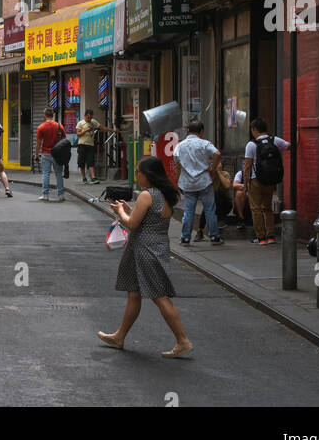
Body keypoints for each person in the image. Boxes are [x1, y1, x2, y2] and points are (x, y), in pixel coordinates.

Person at [97, 155, 193, 359]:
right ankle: (119, 336)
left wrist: (120, 211)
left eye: (139, 171)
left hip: (144, 250)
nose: (137, 175)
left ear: (149, 175)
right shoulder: (165, 194)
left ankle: (183, 340)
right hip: (154, 247)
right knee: (134, 293)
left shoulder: (146, 195)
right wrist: (130, 211)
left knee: (159, 296)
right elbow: (148, 219)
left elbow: (131, 224)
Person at [174, 118, 223, 245]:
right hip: (204, 181)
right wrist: (213, 169)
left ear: (188, 131)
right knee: (209, 209)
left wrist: (178, 181)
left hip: (187, 183)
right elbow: (217, 153)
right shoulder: (205, 144)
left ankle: (185, 238)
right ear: (201, 132)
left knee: (188, 210)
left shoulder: (179, 146)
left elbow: (177, 165)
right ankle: (214, 237)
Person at [243, 118, 290, 245]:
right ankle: (271, 236)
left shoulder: (251, 145)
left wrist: (246, 183)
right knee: (268, 208)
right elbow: (289, 146)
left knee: (256, 209)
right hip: (269, 180)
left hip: (255, 180)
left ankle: (261, 238)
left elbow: (247, 166)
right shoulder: (275, 140)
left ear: (254, 130)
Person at [35, 107, 66, 202]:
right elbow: (64, 140)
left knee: (46, 174)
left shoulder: (41, 127)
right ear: (53, 115)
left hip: (46, 153)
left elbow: (39, 142)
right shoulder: (59, 126)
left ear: (44, 115)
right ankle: (61, 195)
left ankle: (45, 195)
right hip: (57, 154)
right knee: (58, 174)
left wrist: (36, 154)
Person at [75, 109, 102, 185]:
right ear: (85, 116)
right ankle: (84, 177)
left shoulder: (93, 122)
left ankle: (93, 178)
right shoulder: (80, 123)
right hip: (82, 144)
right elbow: (78, 134)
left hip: (90, 145)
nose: (89, 119)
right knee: (81, 162)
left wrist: (113, 130)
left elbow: (101, 127)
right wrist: (86, 130)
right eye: (88, 117)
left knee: (91, 161)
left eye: (90, 117)